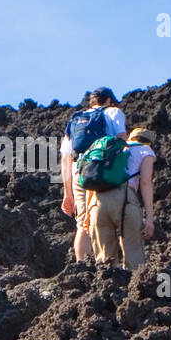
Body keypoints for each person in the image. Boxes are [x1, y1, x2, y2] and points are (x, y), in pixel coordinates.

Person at [60, 88, 126, 261]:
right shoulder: (113, 112)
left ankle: (83, 267)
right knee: (110, 219)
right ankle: (108, 264)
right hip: (104, 172)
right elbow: (122, 139)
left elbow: (66, 159)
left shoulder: (75, 120)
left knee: (83, 223)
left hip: (79, 172)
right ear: (109, 100)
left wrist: (68, 194)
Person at [89, 128, 157, 270]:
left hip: (98, 200)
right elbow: (145, 182)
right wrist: (149, 218)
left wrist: (89, 209)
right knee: (133, 253)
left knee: (104, 260)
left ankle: (104, 288)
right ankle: (134, 289)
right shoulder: (146, 150)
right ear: (149, 143)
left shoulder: (114, 149)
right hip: (124, 199)